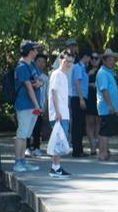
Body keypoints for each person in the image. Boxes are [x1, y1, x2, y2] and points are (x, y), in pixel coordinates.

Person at [13, 40, 43, 172]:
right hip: (25, 105)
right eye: (35, 49)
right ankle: (17, 162)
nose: (37, 52)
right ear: (30, 51)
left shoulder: (32, 65)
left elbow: (39, 80)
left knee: (26, 134)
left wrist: (39, 83)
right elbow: (28, 88)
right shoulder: (21, 66)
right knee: (21, 133)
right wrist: (37, 106)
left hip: (33, 106)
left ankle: (23, 161)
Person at [48, 53, 73, 178]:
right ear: (60, 60)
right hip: (59, 114)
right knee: (58, 141)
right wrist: (57, 112)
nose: (68, 64)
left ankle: (55, 167)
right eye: (66, 61)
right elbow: (53, 92)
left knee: (60, 141)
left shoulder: (63, 75)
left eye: (70, 62)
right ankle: (56, 168)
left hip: (63, 112)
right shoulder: (57, 74)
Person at [96, 49, 118, 161]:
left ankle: (104, 152)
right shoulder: (102, 73)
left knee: (105, 131)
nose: (112, 62)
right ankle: (103, 153)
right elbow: (104, 90)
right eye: (110, 60)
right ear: (104, 61)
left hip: (109, 107)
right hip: (106, 107)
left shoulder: (109, 72)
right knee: (104, 132)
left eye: (113, 60)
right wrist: (110, 105)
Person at [27, 53, 50, 157]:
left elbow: (46, 94)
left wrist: (45, 107)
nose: (41, 64)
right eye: (39, 61)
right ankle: (27, 147)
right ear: (34, 62)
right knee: (28, 127)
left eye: (43, 62)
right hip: (30, 106)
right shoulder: (30, 75)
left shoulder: (45, 78)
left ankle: (36, 147)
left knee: (37, 127)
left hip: (40, 106)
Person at [70, 51, 91, 157]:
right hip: (78, 97)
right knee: (77, 125)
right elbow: (77, 82)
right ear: (85, 56)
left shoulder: (82, 67)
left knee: (80, 124)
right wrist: (81, 99)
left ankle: (79, 149)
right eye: (89, 57)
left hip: (81, 97)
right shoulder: (78, 66)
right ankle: (76, 150)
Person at [85, 52, 101, 154]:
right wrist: (88, 76)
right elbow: (78, 83)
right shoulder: (85, 70)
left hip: (99, 98)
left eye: (96, 58)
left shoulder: (102, 70)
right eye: (92, 58)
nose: (94, 60)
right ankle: (92, 146)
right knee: (89, 122)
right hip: (89, 98)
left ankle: (98, 143)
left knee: (98, 122)